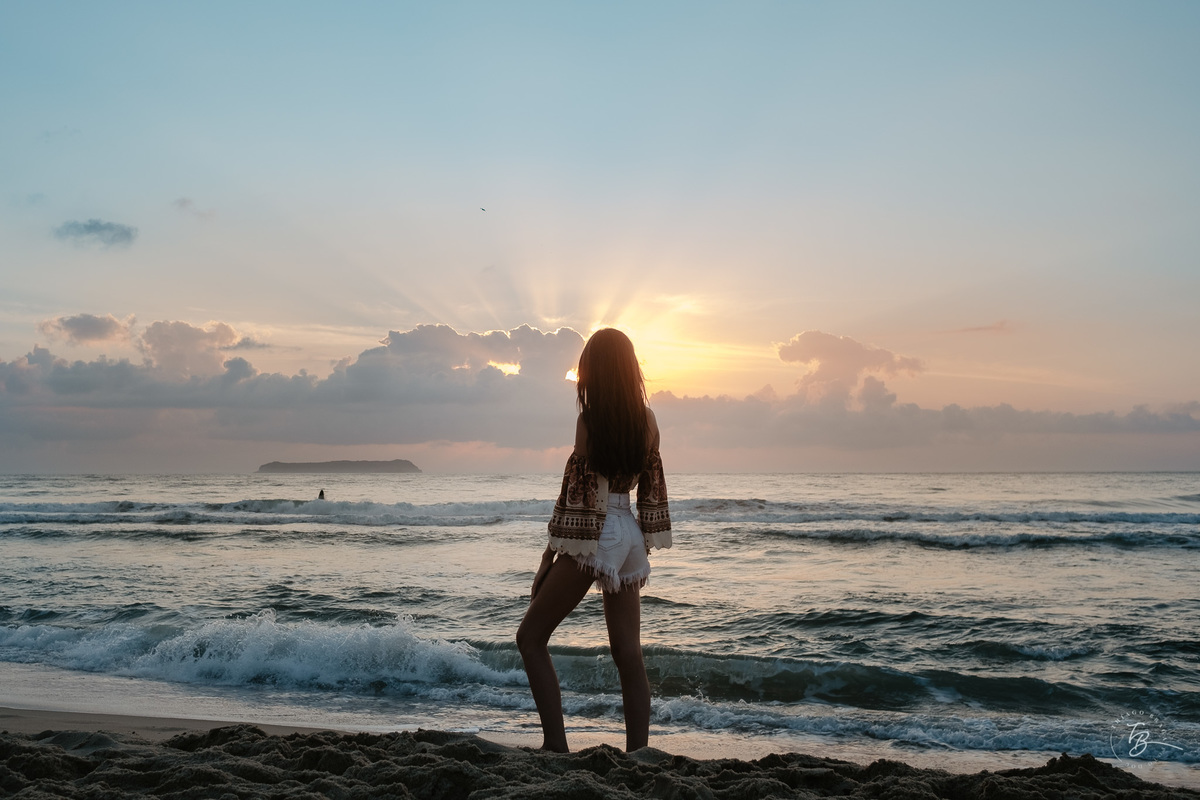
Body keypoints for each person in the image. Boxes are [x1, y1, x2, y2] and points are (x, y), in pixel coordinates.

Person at [516, 328, 671, 753]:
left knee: (530, 638)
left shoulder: (589, 421)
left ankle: (555, 745)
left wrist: (549, 555)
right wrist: (643, 535)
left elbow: (577, 497)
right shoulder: (648, 420)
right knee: (628, 654)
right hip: (630, 535)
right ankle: (638, 753)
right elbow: (652, 487)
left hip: (596, 534)